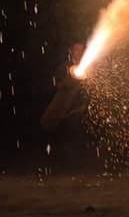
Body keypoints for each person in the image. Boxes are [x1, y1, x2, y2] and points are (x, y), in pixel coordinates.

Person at [41, 42, 100, 173]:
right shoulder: (63, 68)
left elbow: (90, 89)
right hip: (65, 110)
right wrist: (70, 79)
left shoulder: (88, 68)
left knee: (81, 140)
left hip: (80, 110)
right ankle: (64, 169)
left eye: (81, 50)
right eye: (76, 50)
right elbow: (57, 85)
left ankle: (82, 168)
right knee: (65, 139)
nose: (79, 52)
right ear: (71, 51)